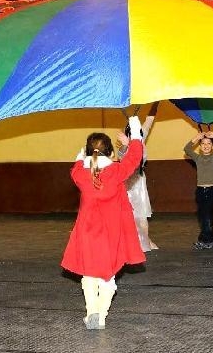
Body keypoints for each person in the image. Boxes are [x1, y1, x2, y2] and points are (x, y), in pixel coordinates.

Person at [61, 116, 146, 330]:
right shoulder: (116, 171)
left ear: (87, 151)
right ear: (111, 153)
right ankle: (102, 315)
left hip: (87, 231)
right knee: (107, 275)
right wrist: (135, 131)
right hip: (111, 232)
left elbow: (77, 165)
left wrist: (82, 156)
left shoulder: (79, 173)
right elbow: (135, 157)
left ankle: (92, 312)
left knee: (88, 274)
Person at [117, 103, 159, 252]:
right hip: (128, 183)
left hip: (139, 181)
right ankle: (128, 243)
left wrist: (156, 102)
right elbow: (123, 158)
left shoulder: (141, 137)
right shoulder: (123, 147)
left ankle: (144, 242)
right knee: (128, 213)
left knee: (141, 214)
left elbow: (150, 119)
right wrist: (126, 144)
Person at [184, 131, 213, 250]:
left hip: (211, 190)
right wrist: (196, 138)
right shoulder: (197, 158)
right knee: (204, 216)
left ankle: (204, 240)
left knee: (207, 217)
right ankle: (211, 240)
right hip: (200, 191)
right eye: (203, 143)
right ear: (200, 146)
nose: (206, 145)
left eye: (209, 143)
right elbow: (187, 149)